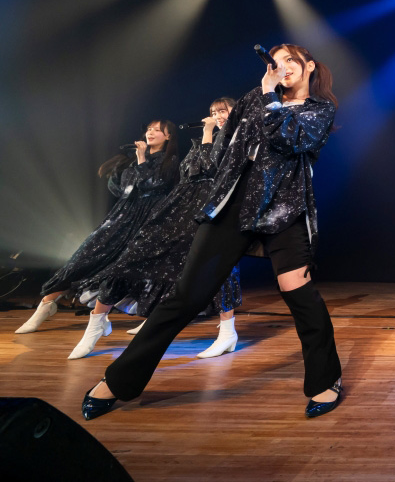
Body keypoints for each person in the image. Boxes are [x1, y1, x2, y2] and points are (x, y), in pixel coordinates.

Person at [81, 44, 342, 420]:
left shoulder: (319, 108)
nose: (282, 67)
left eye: (291, 60)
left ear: (309, 66)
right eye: (276, 61)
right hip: (232, 206)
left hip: (285, 208)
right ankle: (118, 381)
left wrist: (269, 95)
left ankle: (326, 379)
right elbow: (225, 148)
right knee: (184, 297)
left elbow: (288, 138)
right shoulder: (255, 97)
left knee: (298, 293)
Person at [69, 98, 244, 360]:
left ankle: (228, 332)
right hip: (180, 206)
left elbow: (210, 168)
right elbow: (189, 173)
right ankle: (97, 322)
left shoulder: (239, 139)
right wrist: (205, 139)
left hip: (212, 208)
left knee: (218, 265)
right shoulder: (200, 142)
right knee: (133, 255)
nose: (217, 116)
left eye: (223, 111)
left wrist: (208, 133)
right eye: (213, 112)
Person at [15, 121, 178, 334]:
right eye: (149, 129)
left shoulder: (170, 161)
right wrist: (118, 171)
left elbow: (150, 185)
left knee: (135, 270)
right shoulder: (133, 160)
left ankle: (145, 318)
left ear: (168, 136)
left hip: (147, 220)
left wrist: (141, 159)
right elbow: (122, 190)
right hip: (121, 218)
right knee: (82, 259)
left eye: (157, 130)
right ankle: (45, 307)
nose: (150, 132)